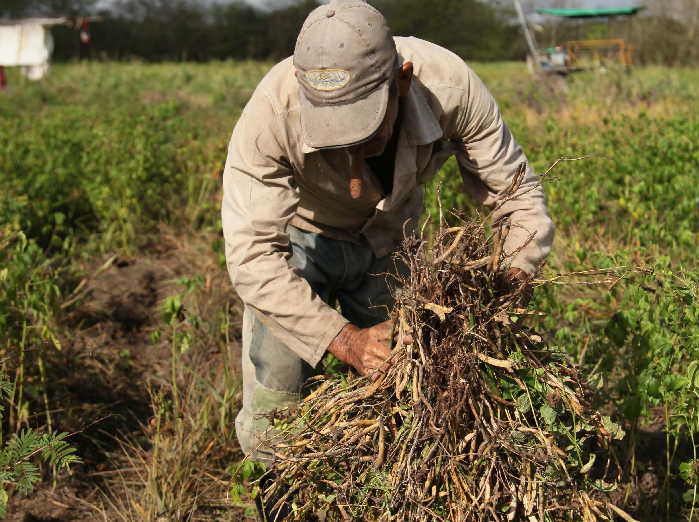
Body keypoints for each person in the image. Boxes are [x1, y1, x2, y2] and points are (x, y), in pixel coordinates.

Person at [221, 0, 554, 516]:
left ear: (401, 81)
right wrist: (343, 339)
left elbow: (517, 196)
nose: (354, 170)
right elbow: (251, 258)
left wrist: (507, 278)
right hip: (299, 240)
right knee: (276, 397)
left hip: (391, 239)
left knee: (405, 392)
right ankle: (277, 499)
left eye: (364, 131)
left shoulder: (451, 89)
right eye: (334, 141)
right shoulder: (273, 110)